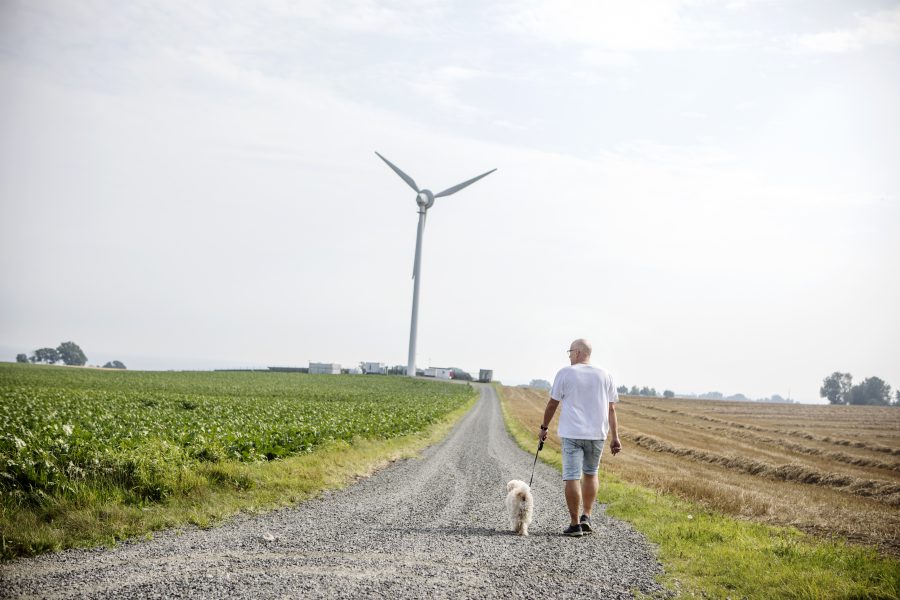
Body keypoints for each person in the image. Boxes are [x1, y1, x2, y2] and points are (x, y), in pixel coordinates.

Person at [538, 338, 621, 537]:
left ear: (577, 352)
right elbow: (611, 409)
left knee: (572, 476)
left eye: (569, 352)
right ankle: (586, 516)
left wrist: (544, 427)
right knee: (591, 474)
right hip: (597, 434)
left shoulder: (565, 373)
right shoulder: (605, 374)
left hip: (572, 433)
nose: (568, 356)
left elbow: (552, 404)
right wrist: (615, 437)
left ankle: (575, 525)